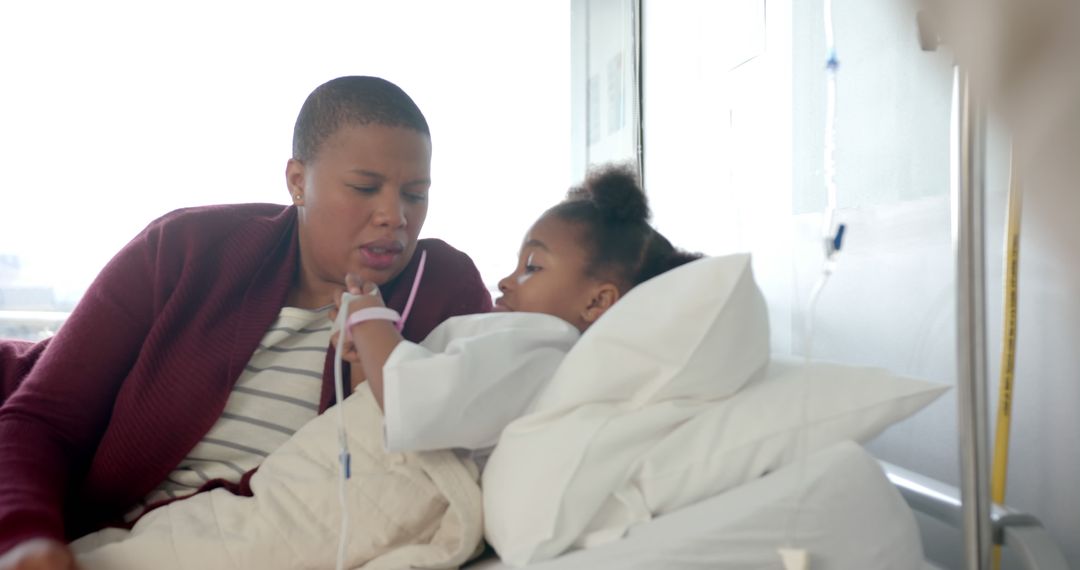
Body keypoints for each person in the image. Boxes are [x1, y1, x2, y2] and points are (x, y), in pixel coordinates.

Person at [0, 76, 492, 570]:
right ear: (298, 181)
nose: (395, 215)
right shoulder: (187, 249)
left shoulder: (442, 290)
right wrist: (24, 538)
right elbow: (43, 419)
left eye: (416, 194)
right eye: (365, 188)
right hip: (97, 536)